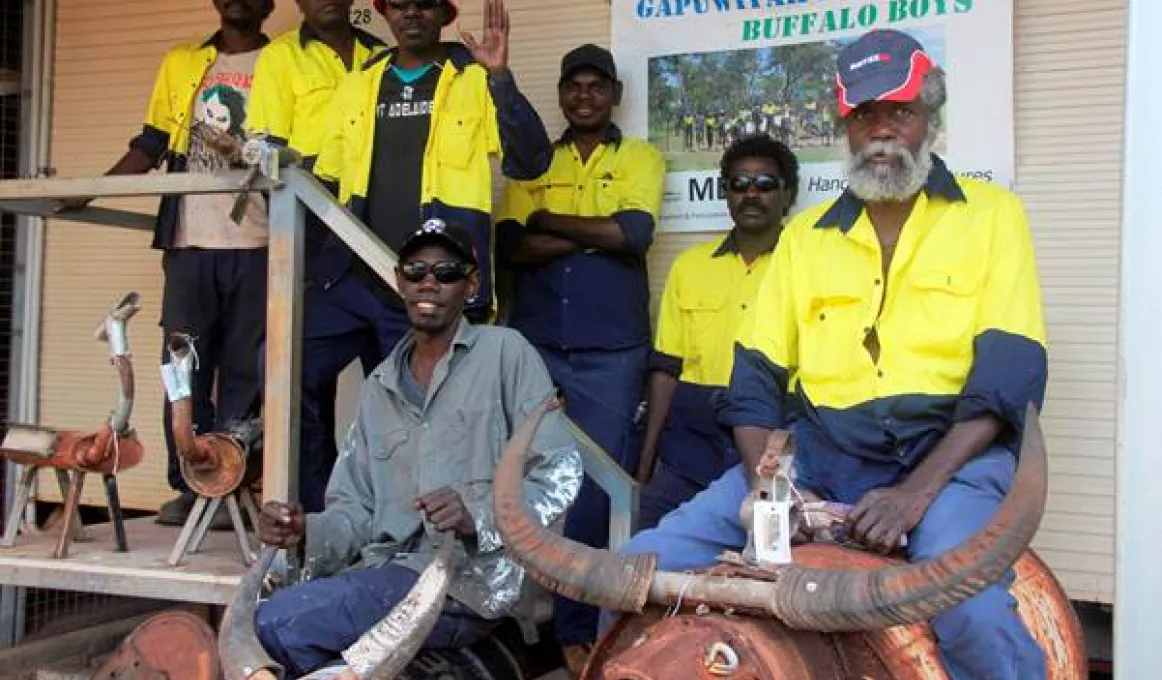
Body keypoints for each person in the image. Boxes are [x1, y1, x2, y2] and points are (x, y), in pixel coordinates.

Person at [618, 29, 1049, 679]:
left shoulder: (993, 216)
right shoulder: (806, 241)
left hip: (948, 462)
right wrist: (772, 492)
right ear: (842, 122)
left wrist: (913, 495)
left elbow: (1009, 373)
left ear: (930, 116)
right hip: (814, 457)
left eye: (900, 112)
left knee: (974, 613)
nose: (882, 132)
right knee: (639, 569)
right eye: (864, 114)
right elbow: (754, 383)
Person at [255, 220, 583, 677]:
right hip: (393, 574)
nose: (430, 281)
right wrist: (305, 530)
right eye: (416, 270)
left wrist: (477, 515)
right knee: (277, 613)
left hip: (475, 582)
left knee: (279, 622)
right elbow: (356, 511)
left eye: (447, 272)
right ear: (399, 282)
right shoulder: (379, 386)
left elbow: (560, 472)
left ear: (471, 286)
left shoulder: (505, 352)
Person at [296, 0, 553, 512]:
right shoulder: (358, 84)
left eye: (425, 3)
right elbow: (325, 177)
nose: (412, 13)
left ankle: (416, 531)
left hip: (430, 287)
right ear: (384, 13)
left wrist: (500, 77)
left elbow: (530, 163)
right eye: (400, 4)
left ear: (445, 13)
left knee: (425, 413)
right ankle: (322, 515)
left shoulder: (473, 78)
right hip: (355, 273)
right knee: (285, 367)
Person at [59, 0, 274, 529]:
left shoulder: (285, 62)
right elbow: (153, 142)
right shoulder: (183, 61)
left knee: (249, 369)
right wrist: (92, 190)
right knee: (185, 367)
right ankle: (188, 484)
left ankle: (235, 482)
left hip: (260, 240)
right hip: (189, 242)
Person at [494, 43, 664, 665]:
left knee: (600, 490)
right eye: (574, 86)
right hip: (536, 344)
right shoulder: (531, 160)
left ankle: (582, 630)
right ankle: (510, 619)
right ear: (562, 94)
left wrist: (549, 219)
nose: (585, 96)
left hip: (610, 353)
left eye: (597, 86)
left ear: (615, 93)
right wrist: (593, 238)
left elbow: (633, 235)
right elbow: (511, 248)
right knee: (522, 479)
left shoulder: (642, 157)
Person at [635, 135, 799, 532]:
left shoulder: (806, 268)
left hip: (772, 442)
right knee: (648, 553)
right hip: (689, 449)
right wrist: (646, 463)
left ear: (788, 194)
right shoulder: (689, 267)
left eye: (765, 184)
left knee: (764, 565)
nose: (752, 194)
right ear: (725, 193)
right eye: (739, 184)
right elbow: (666, 369)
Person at [247, 0, 387, 167]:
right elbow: (269, 148)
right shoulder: (279, 56)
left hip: (373, 185)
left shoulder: (382, 54)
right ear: (299, 3)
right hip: (307, 188)